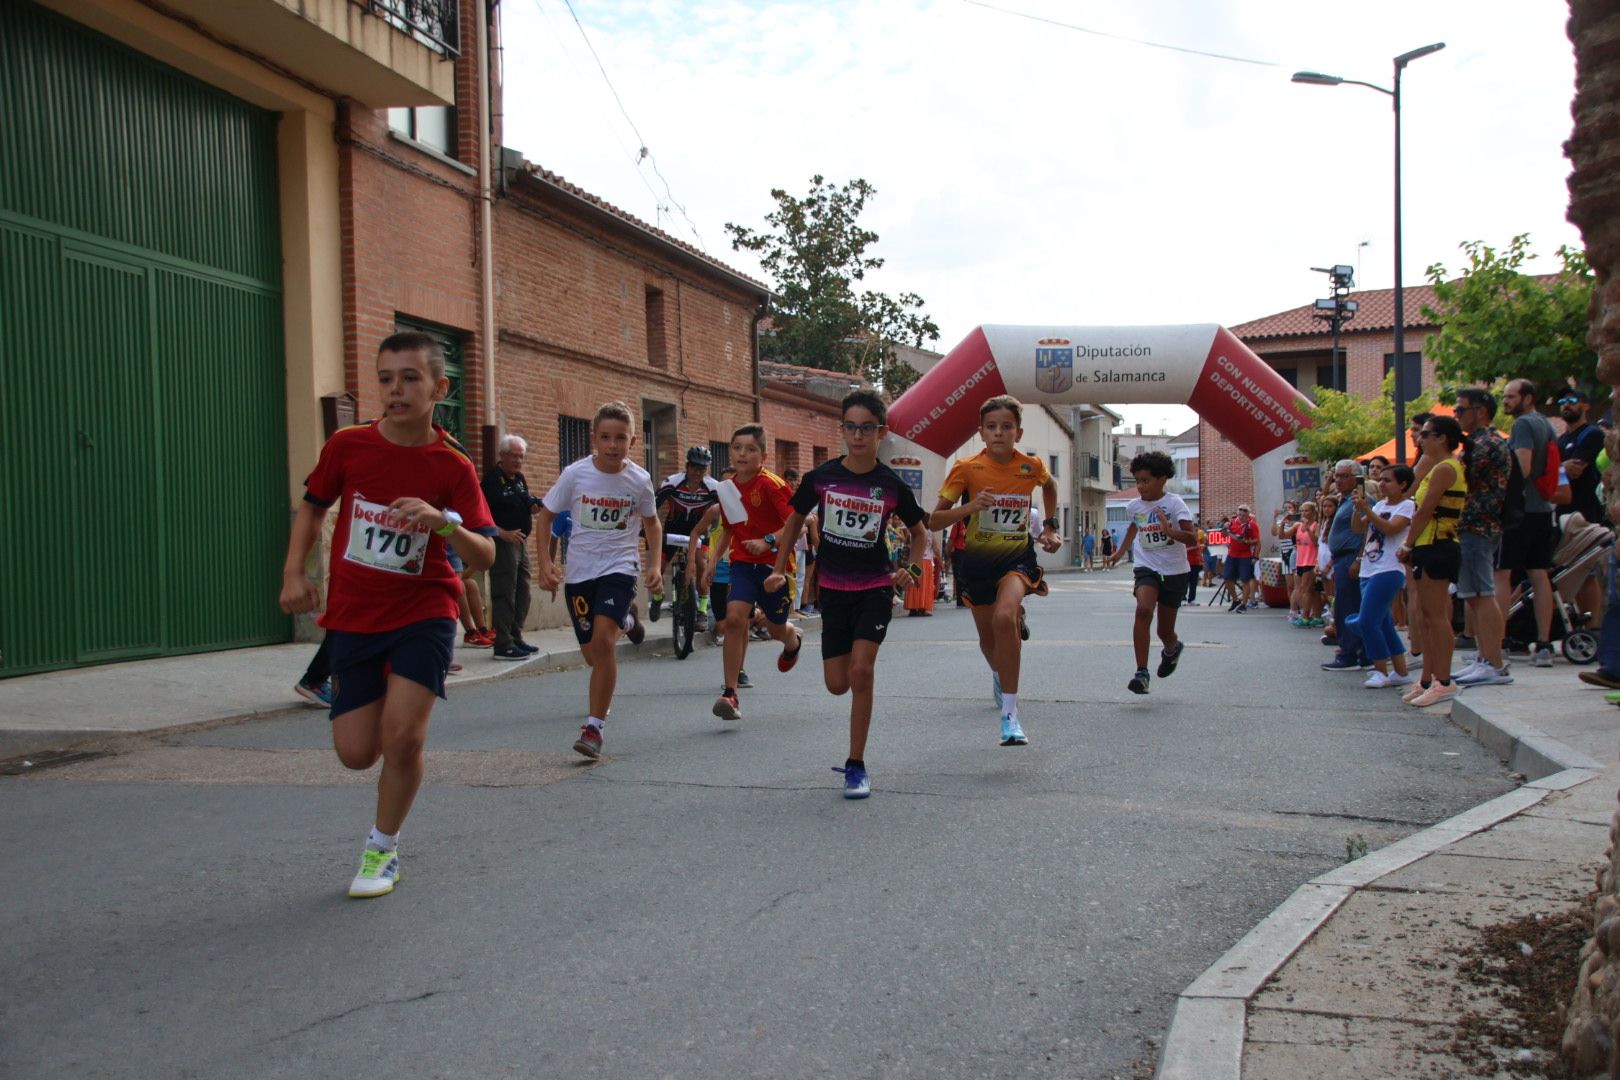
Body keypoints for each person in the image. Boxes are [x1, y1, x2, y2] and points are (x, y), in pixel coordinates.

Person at [279, 331, 497, 898]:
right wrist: (294, 573)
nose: (395, 390)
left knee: (402, 740)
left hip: (424, 609)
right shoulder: (348, 446)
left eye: (409, 379)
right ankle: (378, 705)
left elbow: (487, 552)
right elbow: (312, 508)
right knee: (356, 754)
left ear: (438, 388)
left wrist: (443, 522)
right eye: (385, 378)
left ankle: (382, 849)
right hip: (354, 613)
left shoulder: (452, 465)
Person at [764, 391, 928, 798]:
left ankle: (856, 764)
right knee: (837, 684)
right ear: (842, 430)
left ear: (881, 433)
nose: (858, 436)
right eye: (850, 427)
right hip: (833, 591)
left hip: (874, 587)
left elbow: (921, 532)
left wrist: (911, 567)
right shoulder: (820, 477)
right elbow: (795, 519)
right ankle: (798, 642)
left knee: (861, 671)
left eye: (866, 428)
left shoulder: (890, 485)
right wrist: (778, 569)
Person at [930, 395, 1063, 746]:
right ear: (981, 433)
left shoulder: (1030, 465)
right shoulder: (966, 468)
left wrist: (1049, 527)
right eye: (992, 427)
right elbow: (934, 519)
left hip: (1016, 559)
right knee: (988, 638)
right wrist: (970, 506)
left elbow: (1049, 485)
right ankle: (999, 671)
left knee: (1005, 618)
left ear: (1017, 433)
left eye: (1006, 427)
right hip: (977, 564)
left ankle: (1010, 716)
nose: (999, 433)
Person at [534, 402, 662, 759]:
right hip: (580, 573)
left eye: (620, 438)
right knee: (593, 654)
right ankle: (627, 619)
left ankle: (594, 728)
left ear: (633, 441)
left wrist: (654, 564)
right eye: (605, 437)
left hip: (620, 567)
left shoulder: (639, 479)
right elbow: (546, 518)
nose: (612, 445)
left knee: (604, 643)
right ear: (593, 438)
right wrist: (545, 564)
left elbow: (651, 522)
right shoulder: (576, 475)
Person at [693, 424, 801, 722]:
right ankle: (730, 692)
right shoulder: (727, 488)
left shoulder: (772, 485)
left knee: (777, 629)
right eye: (737, 448)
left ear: (762, 455)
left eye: (750, 449)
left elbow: (796, 524)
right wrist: (714, 561)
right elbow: (730, 527)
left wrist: (767, 540)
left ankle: (792, 641)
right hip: (742, 565)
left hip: (774, 569)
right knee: (735, 618)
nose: (742, 454)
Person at [1104, 451, 1194, 694]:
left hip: (1175, 570)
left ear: (1162, 479)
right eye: (1137, 481)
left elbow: (1192, 538)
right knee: (1143, 610)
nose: (1141, 487)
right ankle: (1141, 672)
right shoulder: (1134, 506)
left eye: (1146, 481)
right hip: (1147, 567)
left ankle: (1172, 648)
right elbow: (1134, 528)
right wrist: (1119, 552)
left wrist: (1170, 531)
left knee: (1164, 631)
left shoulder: (1175, 504)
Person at [1398, 416, 1468, 706]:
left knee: (1437, 616)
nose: (1419, 439)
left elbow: (1424, 511)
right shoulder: (1434, 469)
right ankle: (1428, 678)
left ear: (1442, 438)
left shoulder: (1445, 468)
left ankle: (1445, 680)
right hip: (1430, 544)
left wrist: (1407, 543)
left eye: (1426, 434)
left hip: (1438, 544)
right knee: (1427, 616)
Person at [1451, 388, 1515, 687]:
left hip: (1479, 524)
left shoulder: (1487, 443)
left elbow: (1462, 479)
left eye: (1460, 410)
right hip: (1472, 524)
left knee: (1482, 594)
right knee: (1474, 596)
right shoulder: (1476, 442)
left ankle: (1493, 662)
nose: (1457, 416)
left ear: (1480, 410)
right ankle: (1485, 658)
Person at [1497, 378, 1560, 666]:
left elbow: (1521, 466)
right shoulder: (1546, 424)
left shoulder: (1522, 425)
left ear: (1528, 397)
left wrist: (1500, 493)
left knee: (1502, 574)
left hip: (1521, 511)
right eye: (1505, 397)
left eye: (1511, 397)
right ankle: (1544, 643)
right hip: (1543, 509)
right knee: (1539, 574)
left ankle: (1496, 642)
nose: (1506, 402)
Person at [1348, 465, 1417, 688]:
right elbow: (1359, 529)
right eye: (1382, 480)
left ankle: (1380, 670)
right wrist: (1357, 508)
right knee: (1384, 622)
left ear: (1403, 484)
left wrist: (1367, 511)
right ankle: (1400, 670)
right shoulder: (1379, 505)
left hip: (1389, 568)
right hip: (1369, 567)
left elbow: (1390, 529)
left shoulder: (1407, 506)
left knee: (1368, 621)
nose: (1383, 484)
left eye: (1388, 480)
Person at [482, 434, 539, 660]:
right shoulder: (491, 481)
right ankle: (503, 643)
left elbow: (525, 502)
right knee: (505, 591)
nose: (518, 461)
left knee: (524, 590)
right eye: (514, 456)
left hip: (522, 542)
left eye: (521, 457)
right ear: (502, 455)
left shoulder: (519, 479)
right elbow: (480, 514)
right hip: (503, 543)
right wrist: (501, 533)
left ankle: (516, 636)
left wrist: (534, 507)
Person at [651, 445, 720, 631]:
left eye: (703, 469)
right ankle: (657, 599)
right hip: (673, 528)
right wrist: (646, 529)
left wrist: (714, 530)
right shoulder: (672, 482)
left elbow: (723, 512)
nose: (698, 472)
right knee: (659, 566)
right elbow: (651, 507)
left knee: (702, 566)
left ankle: (703, 611)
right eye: (695, 467)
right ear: (687, 466)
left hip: (699, 530)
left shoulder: (713, 487)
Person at [1321, 463, 1370, 671]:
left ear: (1356, 478)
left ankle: (1351, 653)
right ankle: (1357, 651)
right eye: (1337, 476)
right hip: (1341, 559)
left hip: (1351, 558)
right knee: (1344, 607)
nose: (1338, 480)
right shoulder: (1343, 501)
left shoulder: (1361, 501)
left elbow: (1368, 531)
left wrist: (1359, 558)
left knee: (1349, 608)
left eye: (1344, 476)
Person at [1289, 503, 1321, 627]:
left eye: (1306, 511)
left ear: (1313, 512)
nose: (1303, 513)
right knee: (1311, 591)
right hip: (1300, 560)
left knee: (1306, 590)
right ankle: (1316, 617)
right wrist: (1280, 522)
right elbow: (1281, 535)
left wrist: (1308, 528)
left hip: (1311, 560)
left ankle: (1306, 616)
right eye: (1302, 511)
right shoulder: (1299, 525)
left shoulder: (1315, 525)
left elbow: (1316, 542)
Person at [1224, 504, 1260, 611]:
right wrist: (1225, 529)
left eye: (1244, 516)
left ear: (1248, 515)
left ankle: (1244, 603)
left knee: (1245, 579)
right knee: (1227, 577)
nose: (1241, 517)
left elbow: (1257, 540)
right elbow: (1224, 535)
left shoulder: (1252, 525)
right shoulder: (1232, 523)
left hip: (1245, 555)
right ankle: (1235, 599)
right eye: (1239, 515)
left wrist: (1247, 542)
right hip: (1232, 554)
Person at [1185, 522, 1204, 604]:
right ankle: (1183, 598)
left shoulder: (1196, 537)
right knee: (1186, 581)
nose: (1196, 531)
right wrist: (1194, 547)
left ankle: (1191, 599)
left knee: (1193, 582)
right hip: (1188, 562)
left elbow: (1198, 549)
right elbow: (1184, 549)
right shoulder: (1187, 537)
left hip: (1195, 562)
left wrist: (1201, 560)